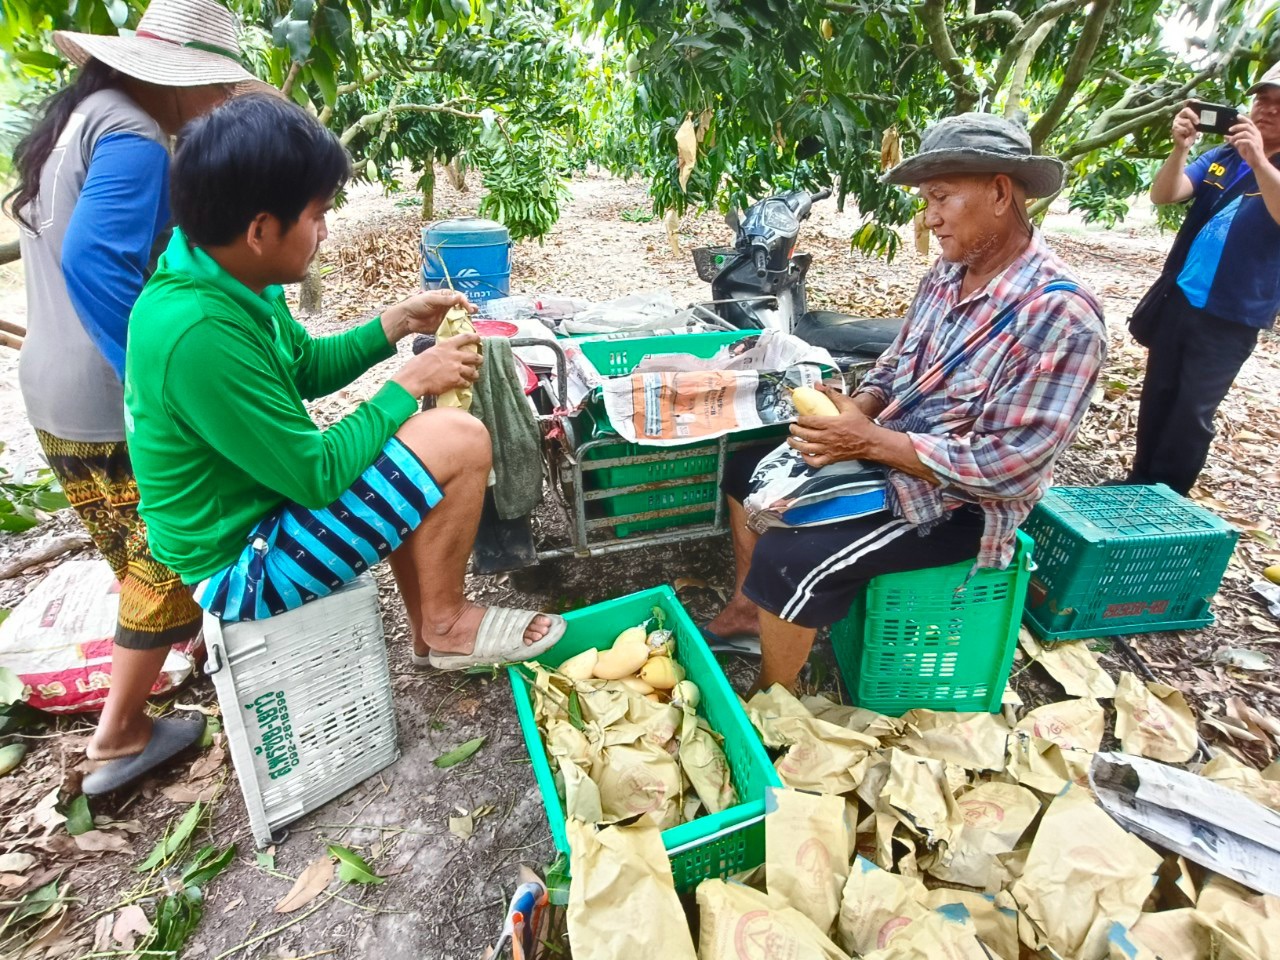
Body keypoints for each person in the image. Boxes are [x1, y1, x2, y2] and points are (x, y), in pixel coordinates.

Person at [122, 94, 564, 734]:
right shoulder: (196, 332)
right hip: (242, 564)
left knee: (421, 449)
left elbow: (304, 367)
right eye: (318, 215)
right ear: (260, 230)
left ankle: (429, 628)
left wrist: (396, 324)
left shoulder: (224, 277)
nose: (325, 231)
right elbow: (316, 476)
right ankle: (443, 624)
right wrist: (408, 382)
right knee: (458, 439)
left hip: (263, 515)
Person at [702, 114, 1106, 692]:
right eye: (926, 199)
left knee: (791, 558)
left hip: (958, 503)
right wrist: (860, 406)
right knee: (745, 470)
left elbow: (1009, 466)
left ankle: (776, 698)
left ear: (998, 192)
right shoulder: (948, 273)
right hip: (888, 452)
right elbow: (897, 363)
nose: (930, 217)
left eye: (941, 197)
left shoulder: (1060, 317)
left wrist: (867, 441)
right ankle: (748, 615)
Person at [4, 0, 266, 795]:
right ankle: (118, 738)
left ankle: (132, 720)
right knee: (164, 560)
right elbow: (93, 259)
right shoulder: (137, 138)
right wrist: (158, 381)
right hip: (104, 395)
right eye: (216, 87)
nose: (220, 104)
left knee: (139, 560)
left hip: (52, 391)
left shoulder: (83, 117)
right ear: (178, 81)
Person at [1121, 66, 1280, 494]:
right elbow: (1165, 194)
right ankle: (1137, 482)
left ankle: (1166, 497)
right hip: (1182, 298)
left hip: (1232, 313)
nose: (1267, 110)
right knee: (1159, 394)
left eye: (1279, 105)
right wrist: (1180, 149)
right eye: (1262, 100)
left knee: (1192, 410)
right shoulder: (1223, 157)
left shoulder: (1258, 161)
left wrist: (1260, 161)